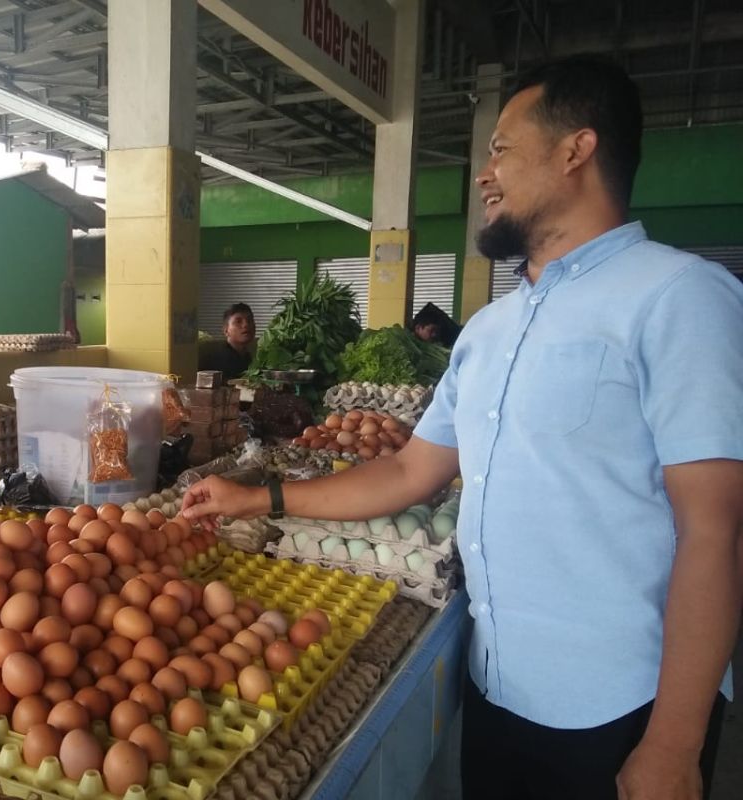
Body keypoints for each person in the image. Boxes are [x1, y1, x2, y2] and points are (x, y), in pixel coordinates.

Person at [182, 57, 740, 800]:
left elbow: (717, 531)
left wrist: (674, 743)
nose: (483, 173)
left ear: (576, 150)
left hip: (621, 709)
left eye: (502, 148)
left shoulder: (679, 298)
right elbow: (410, 472)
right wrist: (260, 499)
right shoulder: (488, 329)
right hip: (498, 694)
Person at [199, 302, 255, 381]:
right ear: (226, 330)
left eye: (249, 320)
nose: (246, 325)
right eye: (238, 321)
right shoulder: (217, 360)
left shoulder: (249, 357)